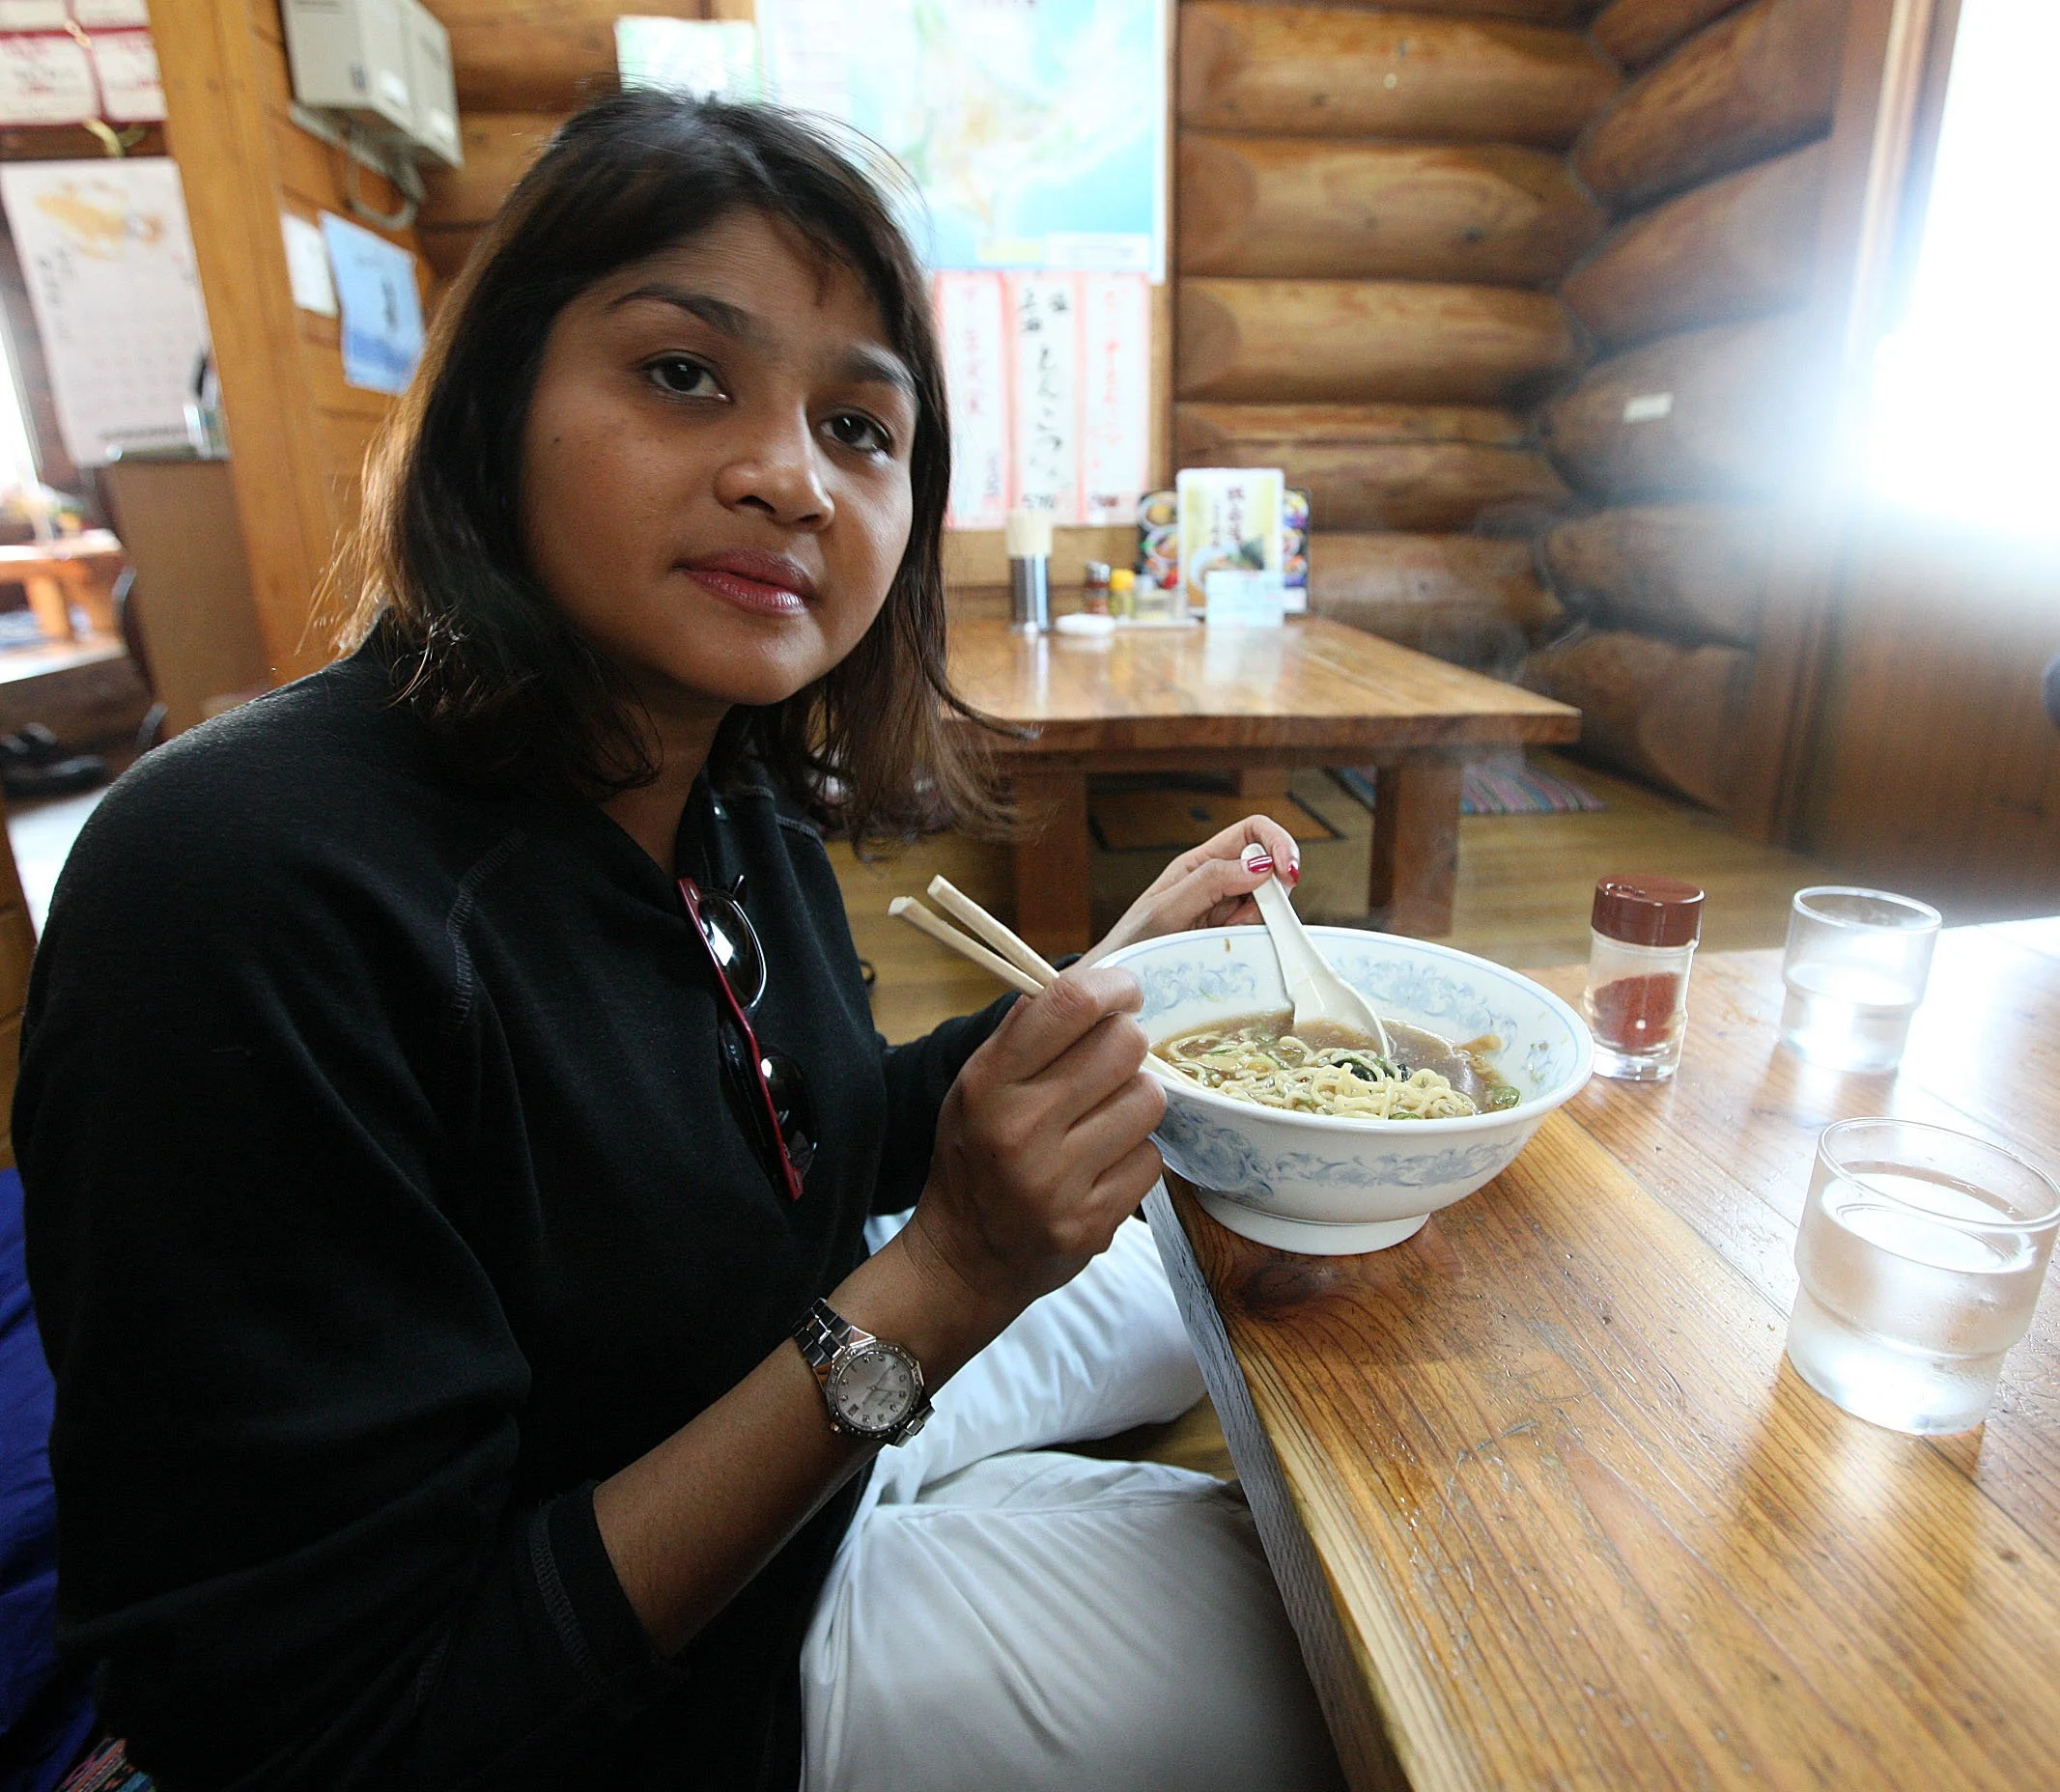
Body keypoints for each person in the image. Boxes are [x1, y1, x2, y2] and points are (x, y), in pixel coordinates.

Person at [16, 96, 1343, 1792]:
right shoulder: (234, 891)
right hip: (683, 1684)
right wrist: (937, 1287)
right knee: (1347, 1661)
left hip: (809, 1422)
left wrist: (1121, 994)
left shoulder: (716, 778)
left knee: (1235, 1254)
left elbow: (814, 1128)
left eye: (862, 425)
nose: (789, 474)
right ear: (494, 410)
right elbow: (338, 1735)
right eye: (684, 374)